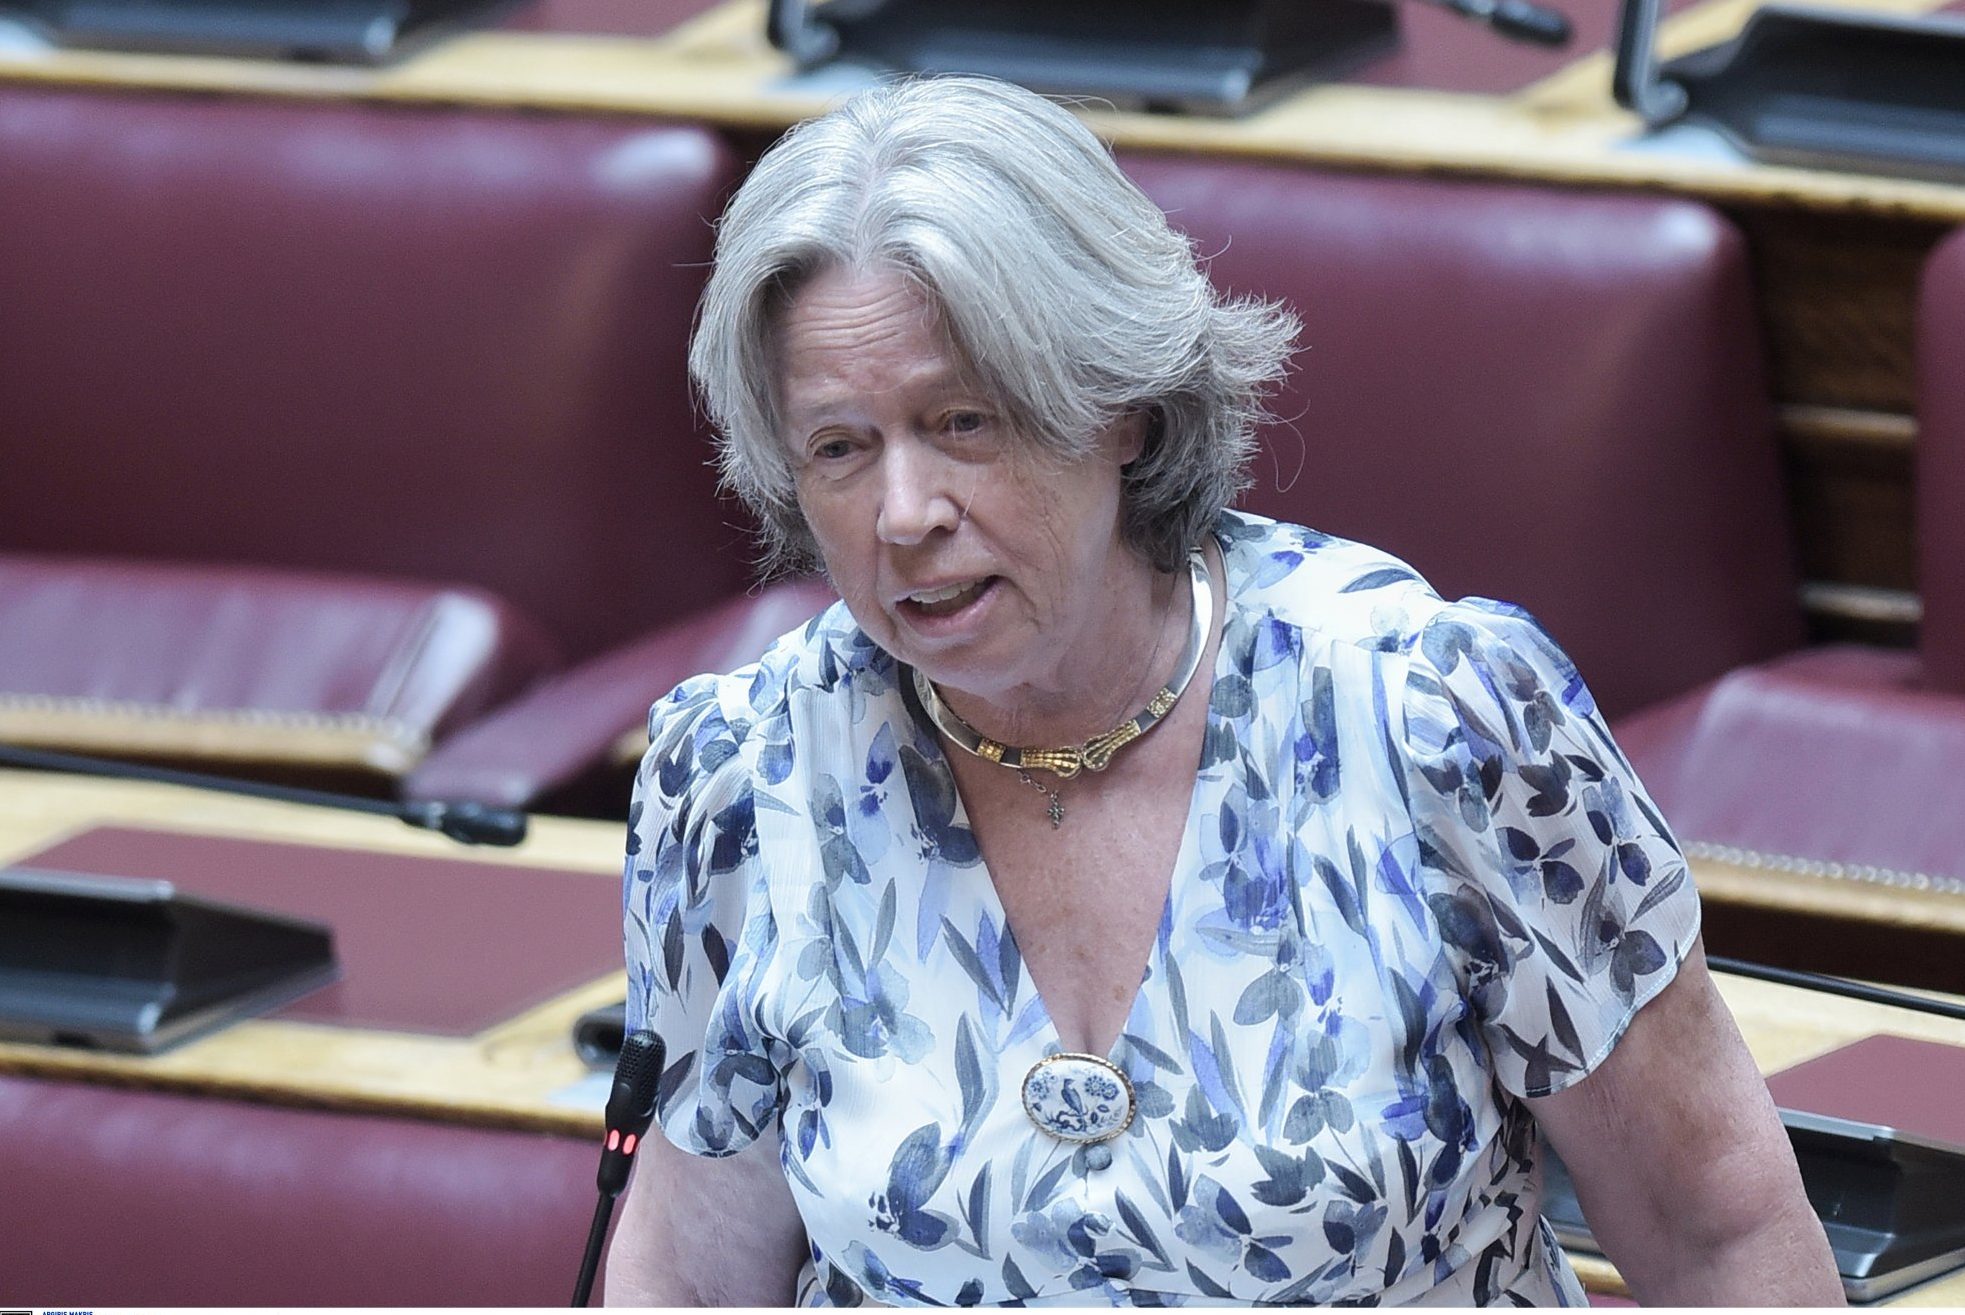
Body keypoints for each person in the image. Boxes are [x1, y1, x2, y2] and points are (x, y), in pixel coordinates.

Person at [605, 74, 1841, 1307]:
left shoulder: (1437, 721)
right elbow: (686, 1283)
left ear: (1123, 409)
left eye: (964, 422)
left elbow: (1719, 1240)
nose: (904, 512)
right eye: (839, 447)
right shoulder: (744, 778)